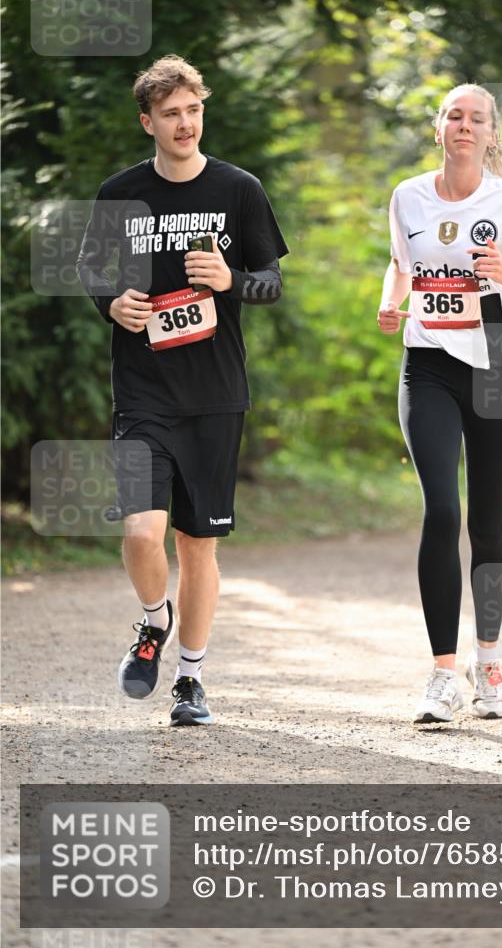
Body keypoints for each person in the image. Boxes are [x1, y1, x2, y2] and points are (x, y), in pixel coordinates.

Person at [77, 55, 288, 726]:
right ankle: (151, 622)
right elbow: (90, 269)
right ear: (148, 122)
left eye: (193, 110)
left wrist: (230, 282)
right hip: (142, 391)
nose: (184, 123)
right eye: (170, 114)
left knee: (198, 546)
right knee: (143, 534)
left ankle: (190, 681)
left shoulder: (238, 190)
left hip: (216, 394)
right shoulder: (119, 194)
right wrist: (112, 303)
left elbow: (271, 284)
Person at [378, 83, 502, 724]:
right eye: (453, 115)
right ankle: (440, 675)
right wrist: (390, 297)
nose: (464, 125)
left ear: (491, 134)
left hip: (495, 365)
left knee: (487, 524)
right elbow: (402, 264)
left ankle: (487, 664)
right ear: (438, 129)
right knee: (440, 510)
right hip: (427, 363)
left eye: (476, 118)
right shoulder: (408, 196)